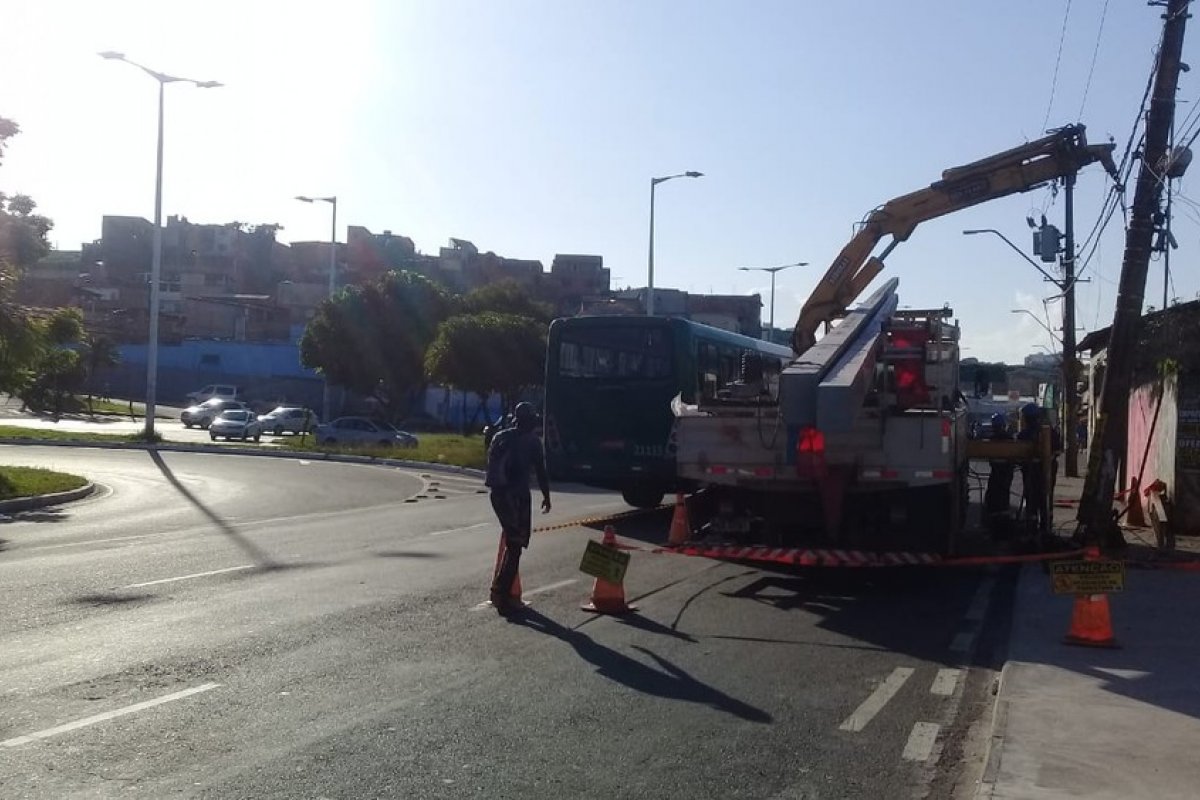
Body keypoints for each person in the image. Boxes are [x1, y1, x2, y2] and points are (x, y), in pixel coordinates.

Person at [485, 402, 551, 614]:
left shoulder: (500, 436)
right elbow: (541, 471)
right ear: (530, 421)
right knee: (516, 545)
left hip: (497, 495)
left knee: (512, 541)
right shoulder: (533, 442)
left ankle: (501, 592)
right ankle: (501, 594)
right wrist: (546, 496)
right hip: (517, 496)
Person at [1017, 403, 1062, 535]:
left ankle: (1032, 529)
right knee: (1046, 498)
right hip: (1046, 473)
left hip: (1032, 473)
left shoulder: (1023, 435)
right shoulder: (1050, 432)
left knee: (1032, 500)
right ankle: (1045, 527)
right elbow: (1058, 450)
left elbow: (1017, 453)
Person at [984, 412, 1014, 520]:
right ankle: (1002, 516)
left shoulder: (992, 439)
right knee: (1004, 493)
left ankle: (993, 517)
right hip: (1006, 473)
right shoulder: (1009, 438)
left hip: (997, 472)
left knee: (993, 494)